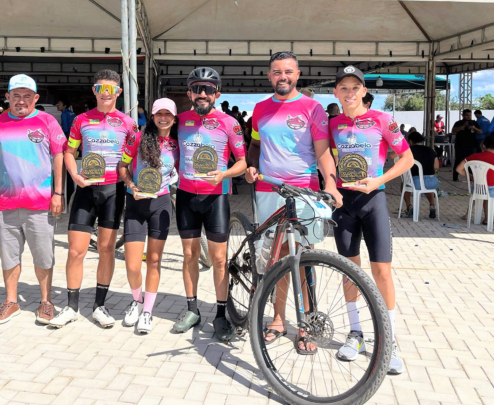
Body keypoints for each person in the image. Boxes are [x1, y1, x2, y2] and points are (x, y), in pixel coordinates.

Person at [244, 51, 342, 352]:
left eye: (287, 71)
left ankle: (305, 324)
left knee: (301, 258)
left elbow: (323, 151)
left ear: (297, 74)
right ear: (270, 75)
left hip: (303, 190)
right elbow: (255, 144)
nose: (282, 77)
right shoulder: (260, 109)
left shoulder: (313, 108)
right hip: (268, 190)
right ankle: (277, 318)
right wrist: (251, 165)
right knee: (275, 257)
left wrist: (330, 184)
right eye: (276, 72)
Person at [329, 66, 414, 375]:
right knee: (349, 270)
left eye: (355, 87)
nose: (349, 92)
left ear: (363, 91)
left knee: (382, 272)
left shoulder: (382, 120)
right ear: (336, 92)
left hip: (373, 201)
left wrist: (381, 180)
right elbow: (324, 159)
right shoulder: (333, 124)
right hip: (343, 203)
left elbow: (406, 158)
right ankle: (356, 333)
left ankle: (388, 340)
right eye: (343, 87)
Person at [0, 75, 66, 326]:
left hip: (40, 204)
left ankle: (46, 301)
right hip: (6, 204)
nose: (21, 100)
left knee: (44, 257)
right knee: (9, 256)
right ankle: (11, 301)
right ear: (7, 97)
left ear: (36, 98)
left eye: (27, 95)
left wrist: (58, 194)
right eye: (16, 95)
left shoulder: (47, 121)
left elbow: (59, 156)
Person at [51, 70, 135, 329]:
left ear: (118, 92)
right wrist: (74, 174)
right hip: (86, 189)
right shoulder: (81, 120)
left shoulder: (128, 123)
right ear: (94, 91)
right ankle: (71, 306)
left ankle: (100, 305)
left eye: (111, 89)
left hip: (113, 190)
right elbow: (69, 151)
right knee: (75, 251)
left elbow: (132, 158)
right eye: (101, 88)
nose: (106, 93)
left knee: (106, 249)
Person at [174, 67, 246, 342]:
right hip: (185, 197)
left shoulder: (229, 123)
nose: (202, 93)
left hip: (216, 198)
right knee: (189, 255)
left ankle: (220, 315)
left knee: (218, 260)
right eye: (196, 88)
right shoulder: (179, 121)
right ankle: (192, 310)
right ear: (190, 93)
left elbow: (242, 162)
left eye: (208, 89)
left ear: (217, 93)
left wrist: (225, 173)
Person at [118, 99, 179, 334]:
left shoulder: (176, 144)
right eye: (158, 113)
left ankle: (147, 312)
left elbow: (183, 169)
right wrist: (131, 185)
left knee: (154, 260)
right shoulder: (137, 138)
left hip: (161, 203)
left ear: (174, 118)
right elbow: (122, 166)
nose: (163, 117)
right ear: (152, 116)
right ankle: (136, 300)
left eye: (168, 114)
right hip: (135, 202)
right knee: (133, 264)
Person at [401, 131, 439, 219]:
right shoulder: (430, 150)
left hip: (415, 182)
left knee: (404, 183)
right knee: (426, 187)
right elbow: (436, 166)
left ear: (410, 141)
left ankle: (409, 207)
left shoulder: (408, 150)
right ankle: (432, 206)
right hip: (432, 181)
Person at [451, 110, 482, 181]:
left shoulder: (474, 123)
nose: (468, 117)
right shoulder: (458, 123)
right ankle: (455, 177)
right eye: (466, 115)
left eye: (469, 115)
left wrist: (474, 128)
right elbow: (453, 131)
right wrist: (463, 126)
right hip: (460, 145)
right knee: (458, 161)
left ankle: (471, 177)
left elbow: (480, 131)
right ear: (463, 115)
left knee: (472, 162)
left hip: (472, 145)